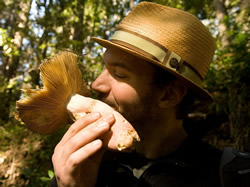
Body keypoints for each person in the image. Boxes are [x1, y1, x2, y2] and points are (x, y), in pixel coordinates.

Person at [50, 2, 224, 186]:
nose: (96, 85)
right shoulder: (83, 164)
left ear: (170, 94)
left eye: (119, 74)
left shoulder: (224, 176)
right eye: (104, 67)